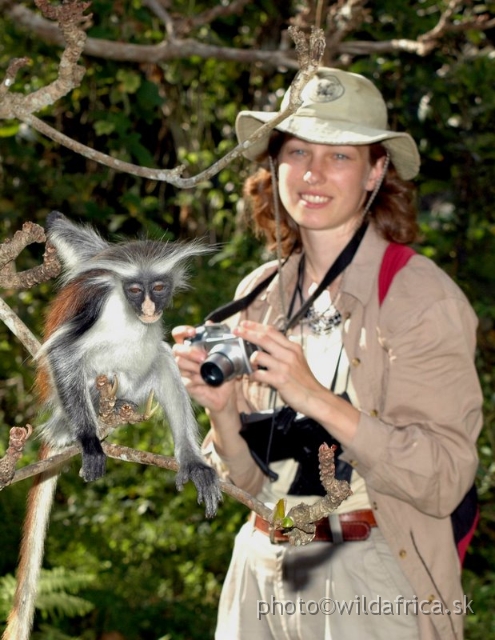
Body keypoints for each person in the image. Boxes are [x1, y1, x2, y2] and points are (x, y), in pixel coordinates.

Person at [172, 67, 483, 640]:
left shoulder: (419, 297)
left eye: (339, 155)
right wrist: (219, 410)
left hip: (364, 578)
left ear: (377, 170)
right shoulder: (259, 293)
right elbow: (247, 483)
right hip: (258, 571)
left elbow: (444, 478)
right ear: (274, 164)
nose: (313, 173)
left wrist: (313, 396)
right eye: (297, 151)